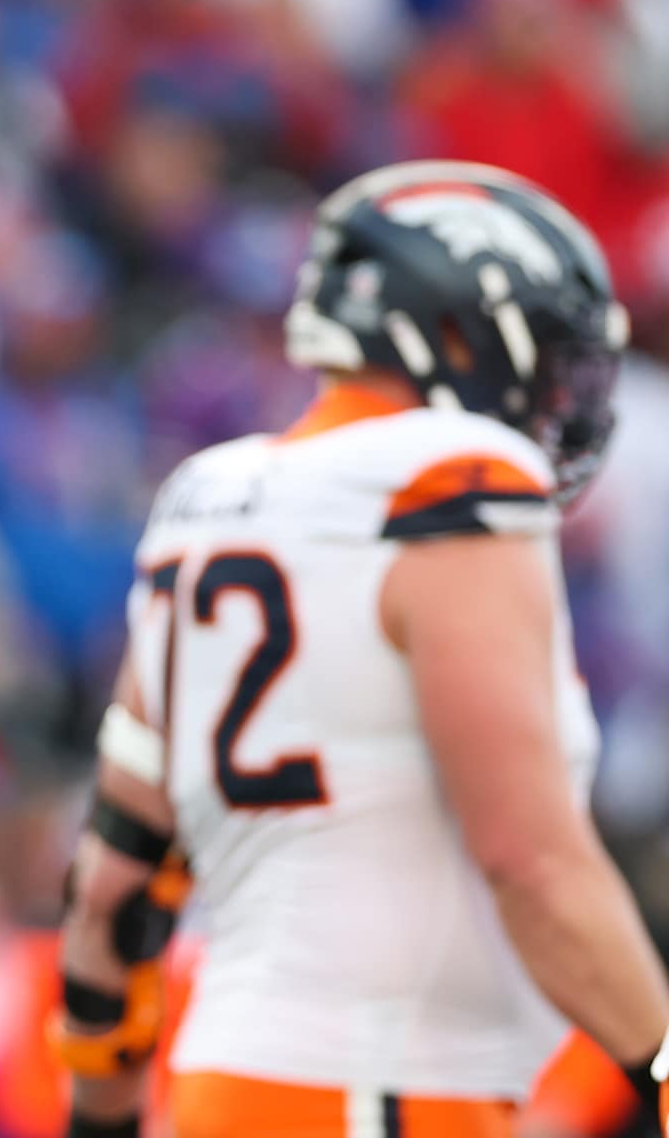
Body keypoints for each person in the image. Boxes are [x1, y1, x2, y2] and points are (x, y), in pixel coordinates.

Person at [47, 161, 669, 1138]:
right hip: (383, 1096)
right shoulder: (454, 478)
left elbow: (115, 889)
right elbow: (532, 862)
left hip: (231, 1086)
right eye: (548, 354)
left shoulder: (206, 499)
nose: (562, 392)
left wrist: (100, 1118)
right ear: (455, 328)